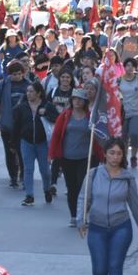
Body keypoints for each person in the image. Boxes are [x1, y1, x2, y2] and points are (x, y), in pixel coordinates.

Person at [77, 138, 138, 275]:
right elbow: (83, 198)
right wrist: (81, 220)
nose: (115, 157)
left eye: (119, 153)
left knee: (115, 265)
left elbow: (135, 204)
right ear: (105, 154)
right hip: (97, 227)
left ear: (123, 155)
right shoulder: (94, 174)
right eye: (112, 153)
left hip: (121, 228)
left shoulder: (127, 178)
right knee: (99, 269)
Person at [49, 88, 104, 227]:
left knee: (84, 187)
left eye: (80, 99)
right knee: (72, 188)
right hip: (67, 158)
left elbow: (97, 137)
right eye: (74, 99)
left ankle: (83, 214)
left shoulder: (90, 116)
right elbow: (56, 135)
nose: (77, 101)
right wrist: (51, 154)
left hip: (86, 158)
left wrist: (103, 156)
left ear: (85, 101)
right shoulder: (65, 116)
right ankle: (74, 216)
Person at [13, 82, 55, 206]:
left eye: (31, 91)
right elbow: (16, 125)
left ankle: (47, 189)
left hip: (42, 143)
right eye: (27, 91)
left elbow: (57, 119)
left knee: (45, 170)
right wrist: (13, 142)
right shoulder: (22, 107)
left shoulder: (47, 105)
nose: (29, 94)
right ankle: (29, 195)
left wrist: (46, 113)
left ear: (38, 92)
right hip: (26, 142)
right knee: (28, 169)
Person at [0, 62, 29, 188]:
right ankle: (13, 177)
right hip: (7, 124)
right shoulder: (3, 84)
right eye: (15, 74)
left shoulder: (28, 84)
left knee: (22, 152)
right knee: (9, 152)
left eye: (20, 74)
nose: (18, 76)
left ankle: (23, 176)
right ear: (10, 74)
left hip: (23, 125)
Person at [118, 59, 138, 169]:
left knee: (135, 134)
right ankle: (124, 158)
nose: (130, 68)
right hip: (122, 114)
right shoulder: (118, 81)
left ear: (135, 68)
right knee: (123, 137)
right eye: (127, 65)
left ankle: (134, 156)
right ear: (124, 67)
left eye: (132, 66)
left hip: (137, 113)